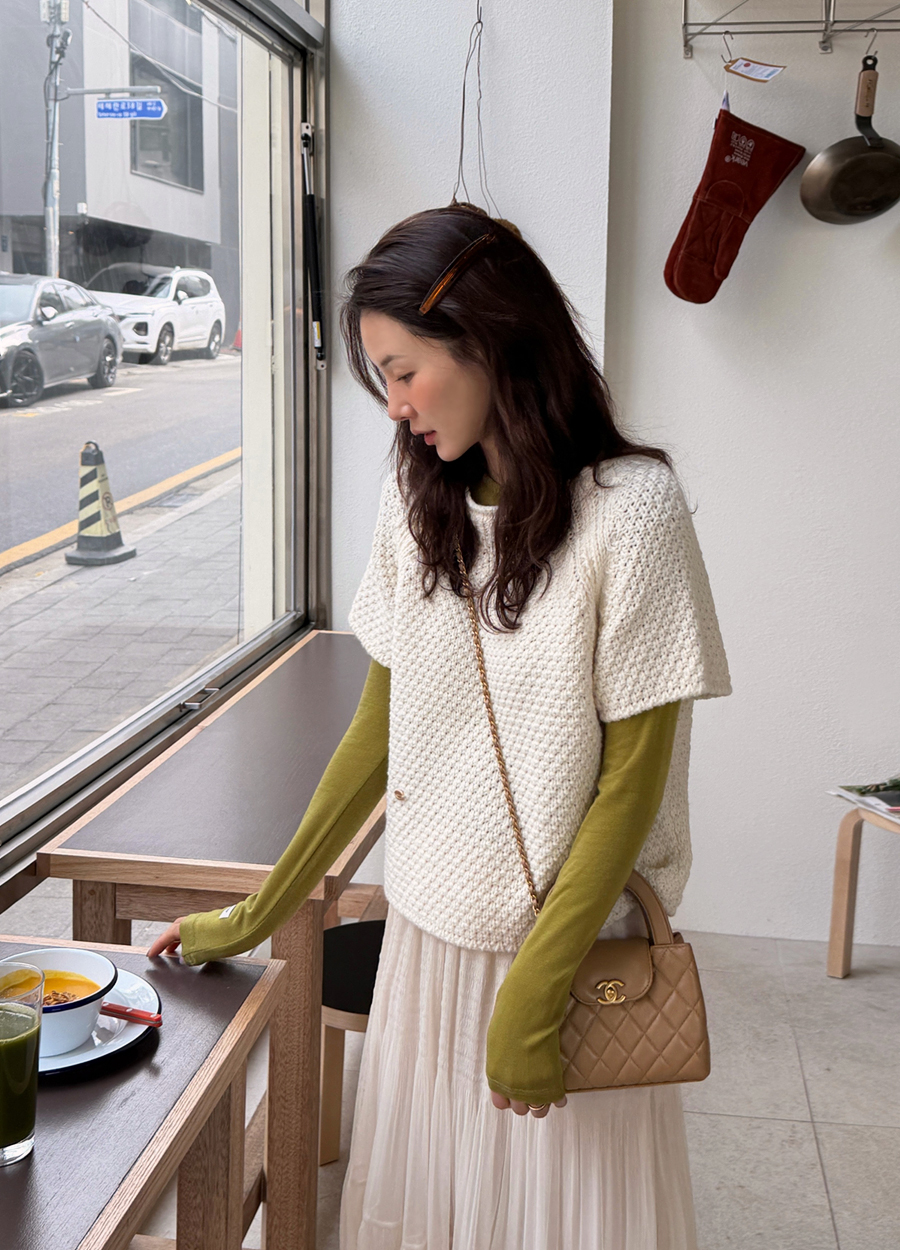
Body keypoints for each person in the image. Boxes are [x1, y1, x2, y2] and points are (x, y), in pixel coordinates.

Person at [148, 202, 731, 1249]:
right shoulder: (419, 503)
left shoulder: (633, 510)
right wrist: (254, 915)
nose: (395, 405)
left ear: (490, 336)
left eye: (405, 370)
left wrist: (534, 993)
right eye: (382, 378)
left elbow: (631, 785)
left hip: (565, 956)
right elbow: (379, 734)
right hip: (428, 941)